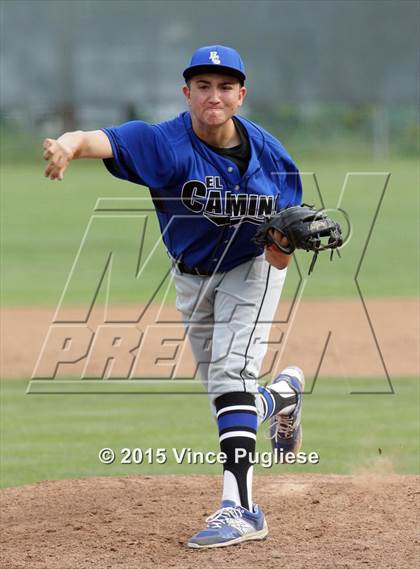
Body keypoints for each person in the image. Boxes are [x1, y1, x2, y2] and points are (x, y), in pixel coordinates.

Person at [43, 44, 305, 549]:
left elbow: (278, 259)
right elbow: (101, 140)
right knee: (227, 395)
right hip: (191, 277)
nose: (214, 95)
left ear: (241, 95)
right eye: (203, 86)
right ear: (187, 92)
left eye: (225, 86)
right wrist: (68, 146)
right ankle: (285, 395)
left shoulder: (273, 159)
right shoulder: (164, 143)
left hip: (250, 270)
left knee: (231, 375)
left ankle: (242, 509)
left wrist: (285, 240)